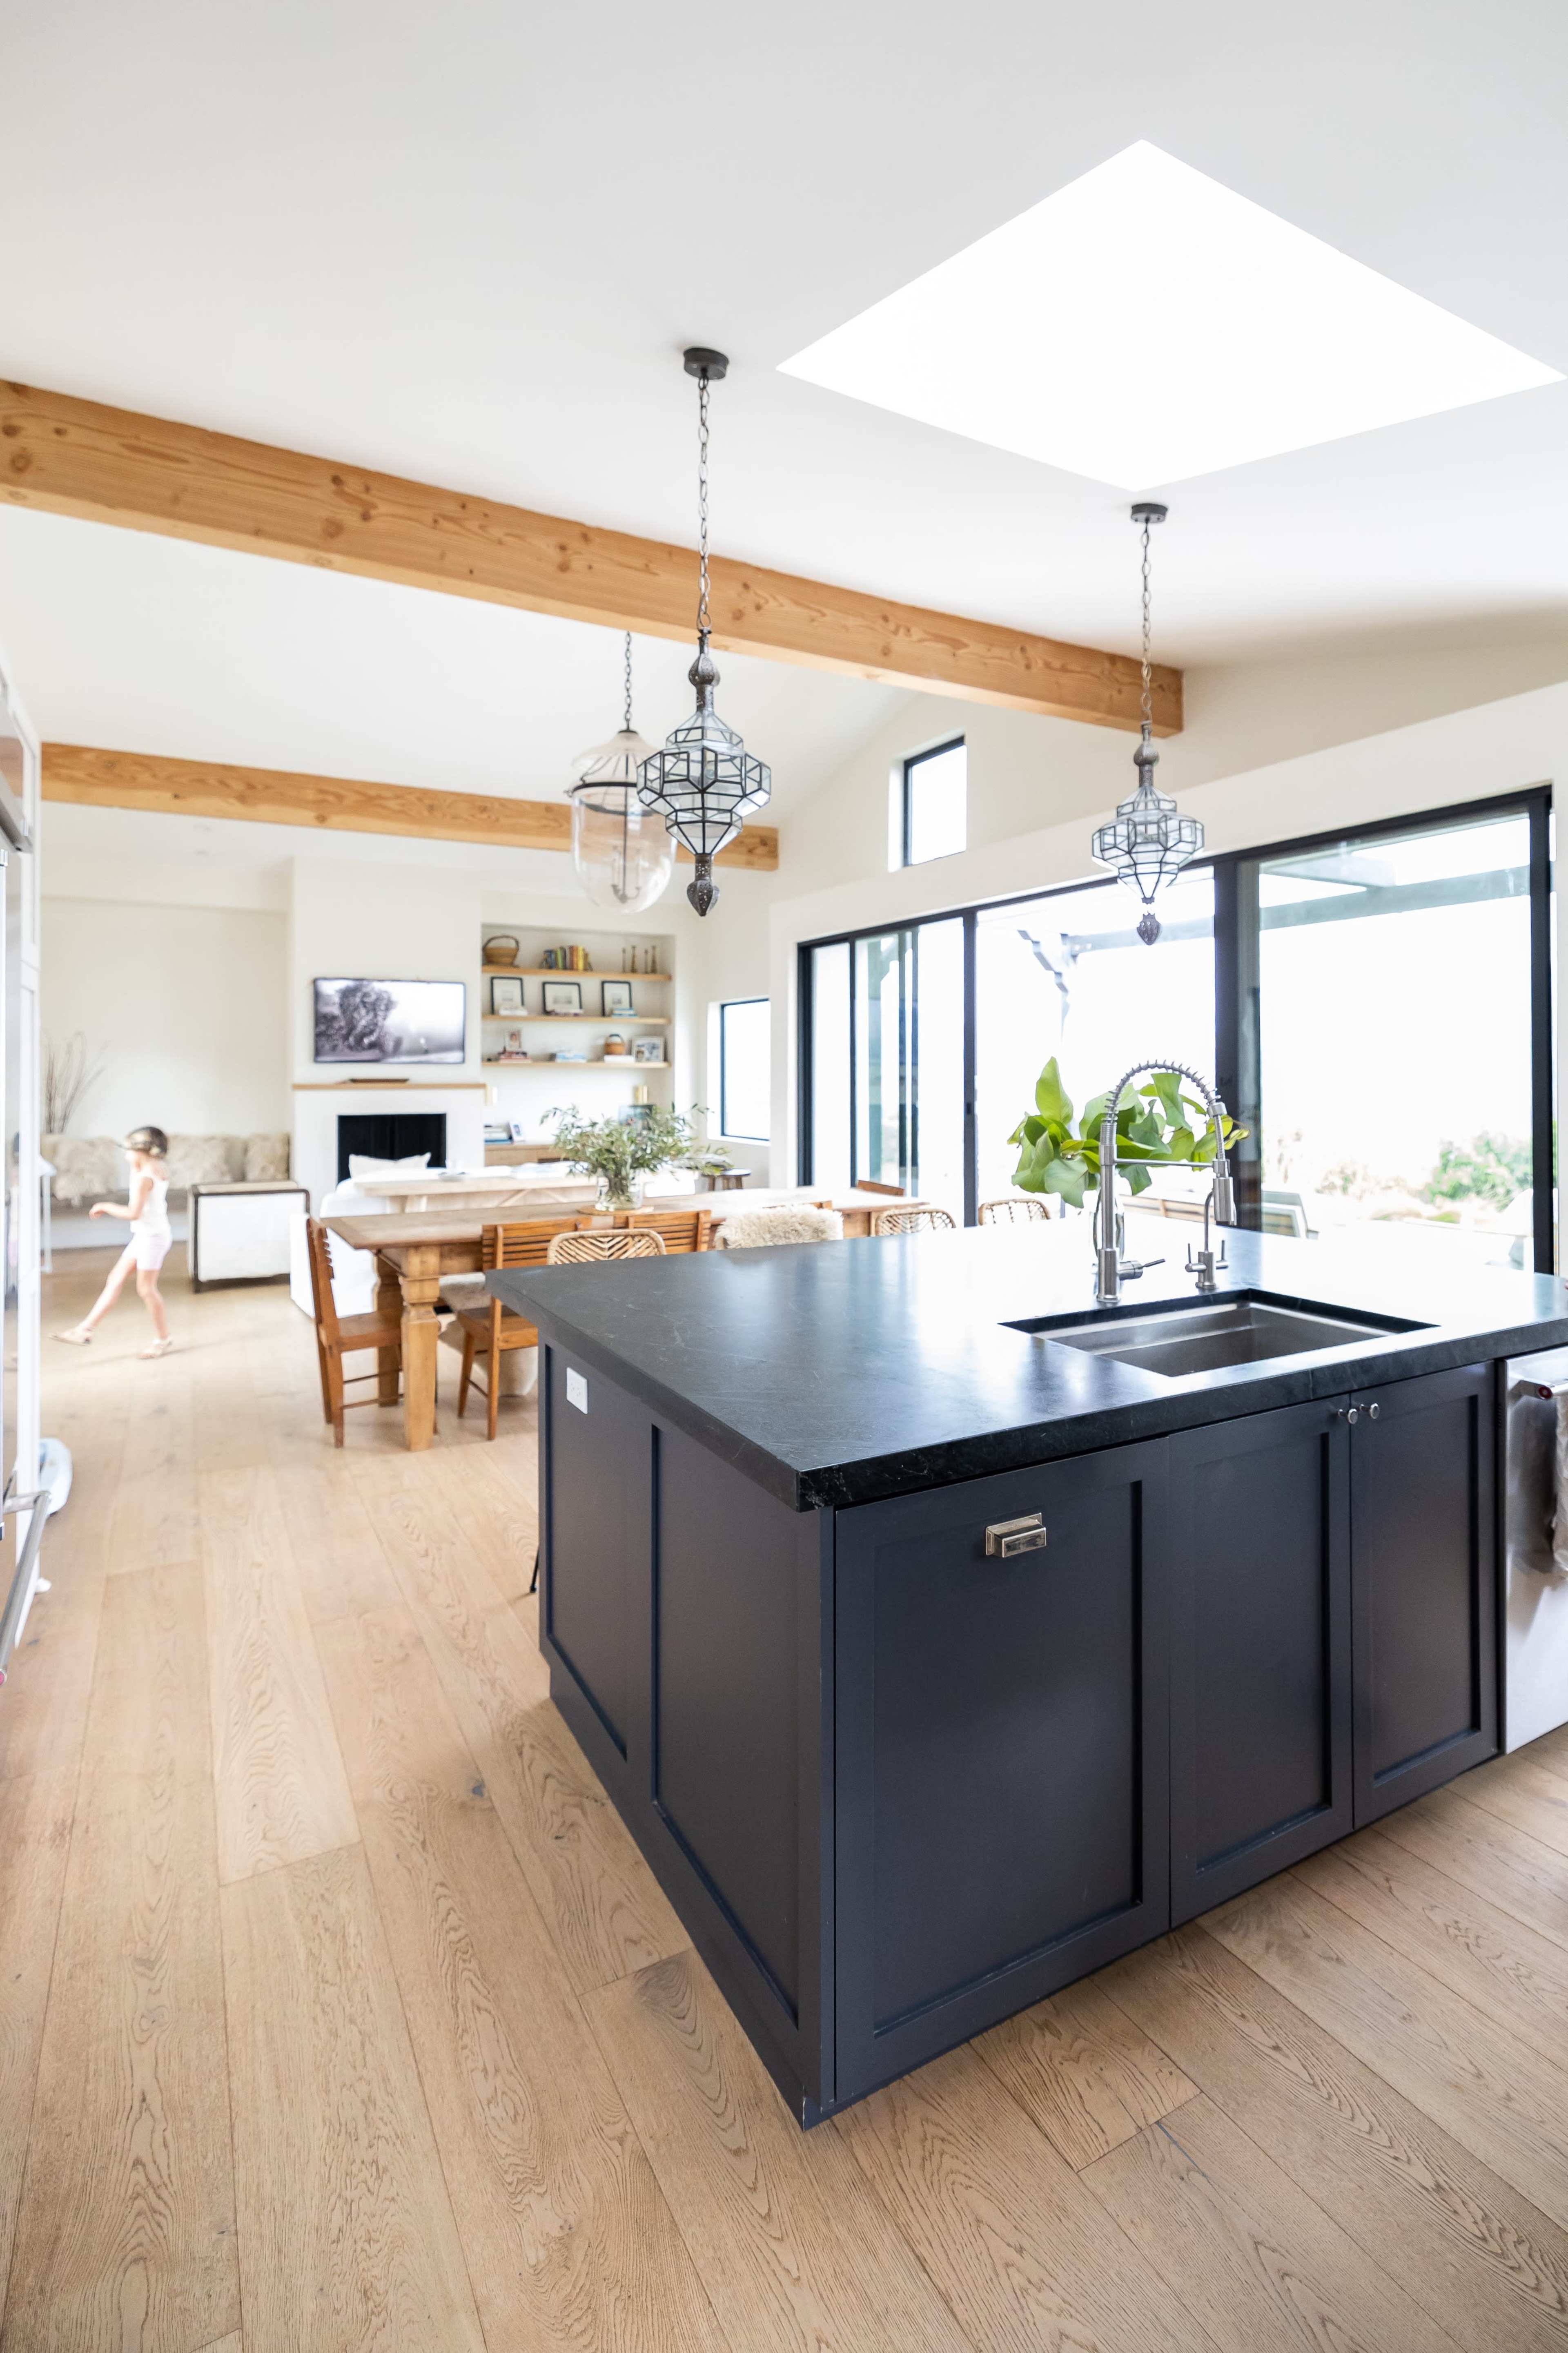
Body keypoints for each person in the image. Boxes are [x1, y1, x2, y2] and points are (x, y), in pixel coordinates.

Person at [54, 1125, 175, 1357]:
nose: (126, 1154)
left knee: (146, 1289)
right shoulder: (155, 1168)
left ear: (144, 1150)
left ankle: (163, 1339)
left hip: (153, 1238)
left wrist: (105, 1206)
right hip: (148, 1235)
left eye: (130, 1150)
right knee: (115, 1279)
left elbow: (134, 1213)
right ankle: (85, 1330)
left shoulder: (145, 1177)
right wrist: (134, 1166)